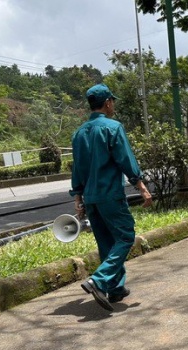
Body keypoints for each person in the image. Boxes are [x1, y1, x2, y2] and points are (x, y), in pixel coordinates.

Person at [69, 83, 152, 311]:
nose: (113, 105)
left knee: (107, 241)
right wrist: (141, 185)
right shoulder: (112, 128)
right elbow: (125, 159)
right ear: (107, 103)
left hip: (91, 198)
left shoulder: (79, 133)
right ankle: (99, 280)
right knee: (125, 236)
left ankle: (115, 288)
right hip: (110, 195)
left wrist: (77, 196)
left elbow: (77, 168)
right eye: (112, 101)